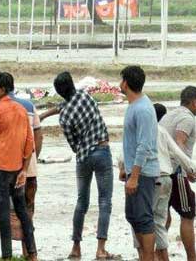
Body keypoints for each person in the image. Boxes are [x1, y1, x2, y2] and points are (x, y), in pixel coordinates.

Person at [53, 71, 116, 260]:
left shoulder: (64, 115)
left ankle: (76, 247)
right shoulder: (86, 95)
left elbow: (73, 144)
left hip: (83, 158)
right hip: (102, 151)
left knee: (82, 202)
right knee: (104, 201)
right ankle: (100, 249)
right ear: (72, 84)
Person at [0, 72, 36, 260]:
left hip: (2, 170)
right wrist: (25, 169)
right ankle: (32, 253)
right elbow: (29, 142)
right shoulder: (21, 109)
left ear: (1, 90)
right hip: (19, 169)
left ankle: (7, 256)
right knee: (22, 212)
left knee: (3, 215)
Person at [151, 103, 196, 261]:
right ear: (194, 102)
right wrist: (192, 170)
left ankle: (157, 254)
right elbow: (178, 147)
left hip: (153, 176)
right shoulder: (185, 119)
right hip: (174, 173)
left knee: (161, 216)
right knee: (187, 214)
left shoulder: (156, 125)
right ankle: (192, 257)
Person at [119, 65, 159, 261]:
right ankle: (144, 255)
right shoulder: (134, 106)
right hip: (134, 171)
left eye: (121, 80)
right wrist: (124, 168)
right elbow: (131, 142)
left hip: (143, 173)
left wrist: (134, 176)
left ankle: (148, 257)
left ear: (125, 83)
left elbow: (144, 145)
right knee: (133, 216)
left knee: (143, 218)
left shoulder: (142, 109)